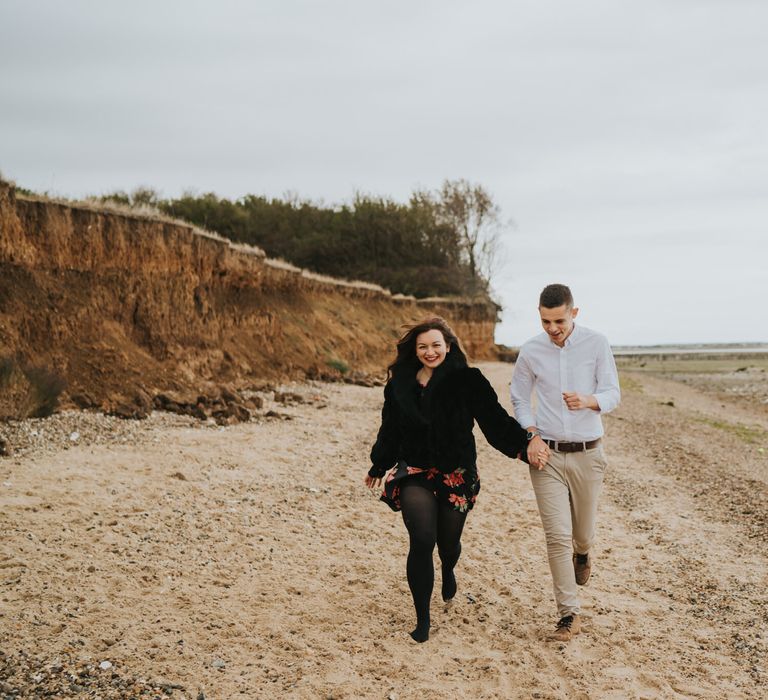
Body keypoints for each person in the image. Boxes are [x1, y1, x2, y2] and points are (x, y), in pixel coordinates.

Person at [365, 317, 547, 643]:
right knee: (421, 539)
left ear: (448, 347)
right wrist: (379, 464)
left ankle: (448, 568)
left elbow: (494, 420)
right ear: (415, 349)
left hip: (457, 471)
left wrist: (523, 446)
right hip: (416, 471)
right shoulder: (399, 384)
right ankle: (422, 620)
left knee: (447, 543)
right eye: (423, 346)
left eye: (436, 345)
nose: (430, 351)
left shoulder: (468, 380)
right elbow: (390, 429)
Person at [510, 283, 620, 642]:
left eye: (558, 320)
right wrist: (531, 434)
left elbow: (612, 392)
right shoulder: (531, 350)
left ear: (574, 313)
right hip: (548, 456)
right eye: (545, 321)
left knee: (581, 533)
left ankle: (584, 552)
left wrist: (589, 401)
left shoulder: (596, 343)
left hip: (589, 453)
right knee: (556, 536)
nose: (552, 328)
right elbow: (520, 398)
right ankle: (567, 615)